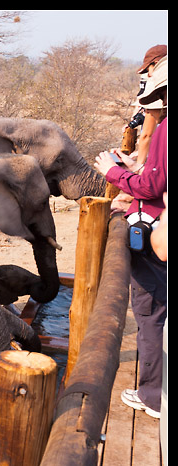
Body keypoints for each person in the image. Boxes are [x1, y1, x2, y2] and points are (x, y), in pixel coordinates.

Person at [94, 55, 167, 419]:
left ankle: (153, 395)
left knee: (151, 311)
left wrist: (115, 174)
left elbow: (155, 184)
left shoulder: (167, 129)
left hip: (157, 233)